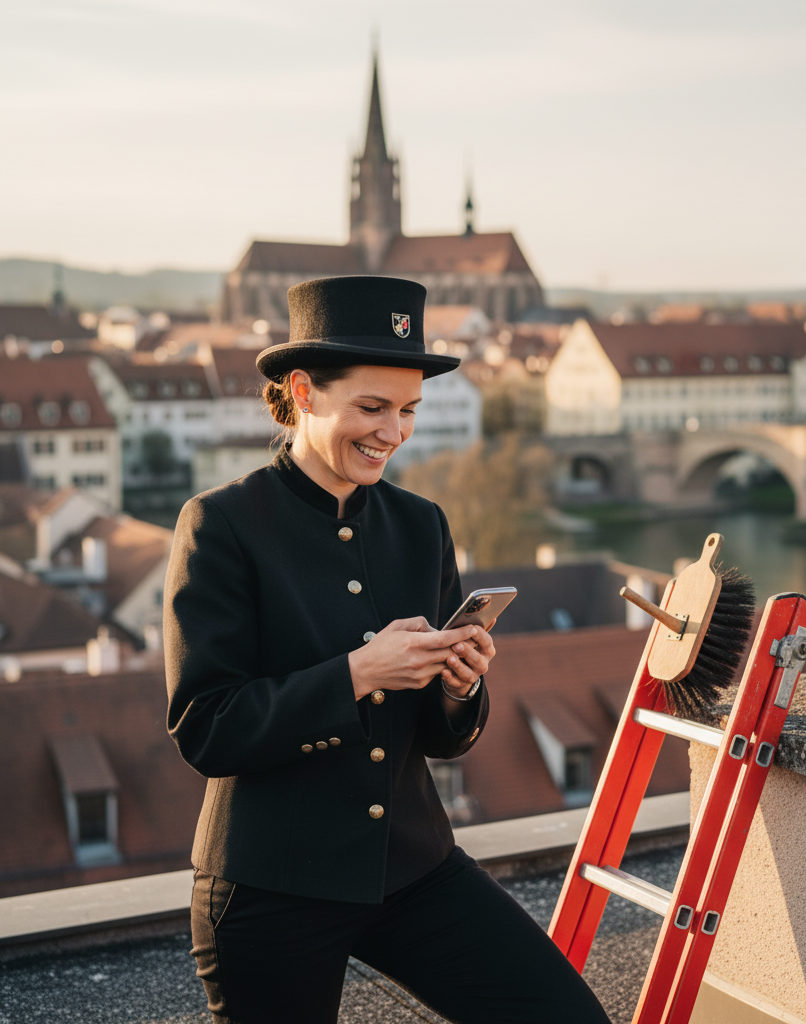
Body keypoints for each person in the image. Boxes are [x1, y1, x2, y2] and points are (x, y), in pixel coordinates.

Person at [164, 276, 611, 1024]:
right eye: (371, 407)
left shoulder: (421, 525)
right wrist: (357, 674)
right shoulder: (220, 524)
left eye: (408, 411)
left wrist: (458, 687)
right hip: (273, 884)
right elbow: (206, 729)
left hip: (414, 866)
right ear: (302, 392)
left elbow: (443, 740)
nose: (393, 432)